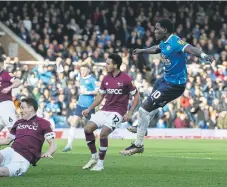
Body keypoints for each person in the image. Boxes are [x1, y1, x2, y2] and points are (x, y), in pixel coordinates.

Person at [120, 18, 214, 156]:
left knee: (144, 109)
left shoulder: (175, 41)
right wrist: (142, 50)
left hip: (175, 85)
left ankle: (138, 144)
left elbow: (190, 48)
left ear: (165, 29)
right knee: (150, 105)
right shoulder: (164, 42)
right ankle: (142, 128)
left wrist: (204, 55)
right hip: (164, 79)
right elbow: (156, 49)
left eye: (157, 28)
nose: (155, 30)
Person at [81, 53, 140, 171]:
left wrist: (130, 112)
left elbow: (137, 96)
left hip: (118, 112)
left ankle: (100, 164)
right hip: (105, 109)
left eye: (108, 64)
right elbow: (100, 96)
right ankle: (94, 157)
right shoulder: (106, 78)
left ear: (115, 65)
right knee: (87, 129)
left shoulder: (126, 79)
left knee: (103, 134)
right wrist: (89, 108)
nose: (106, 66)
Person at [0, 97, 57, 177]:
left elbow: (53, 144)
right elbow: (7, 141)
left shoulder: (44, 123)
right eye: (20, 108)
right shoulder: (18, 122)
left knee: (1, 172)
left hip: (23, 158)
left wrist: (48, 152)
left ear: (31, 108)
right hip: (10, 151)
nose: (20, 111)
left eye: (22, 108)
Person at [63, 64, 98, 152]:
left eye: (84, 70)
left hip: (89, 106)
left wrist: (87, 92)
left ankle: (94, 146)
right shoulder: (81, 78)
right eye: (81, 70)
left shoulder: (92, 79)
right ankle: (69, 145)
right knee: (74, 123)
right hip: (80, 105)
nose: (82, 72)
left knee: (91, 127)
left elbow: (98, 91)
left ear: (88, 70)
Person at [0, 56, 21, 131]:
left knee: (12, 129)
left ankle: (23, 142)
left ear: (2, 64)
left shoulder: (6, 74)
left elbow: (18, 82)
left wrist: (9, 87)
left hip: (5, 104)